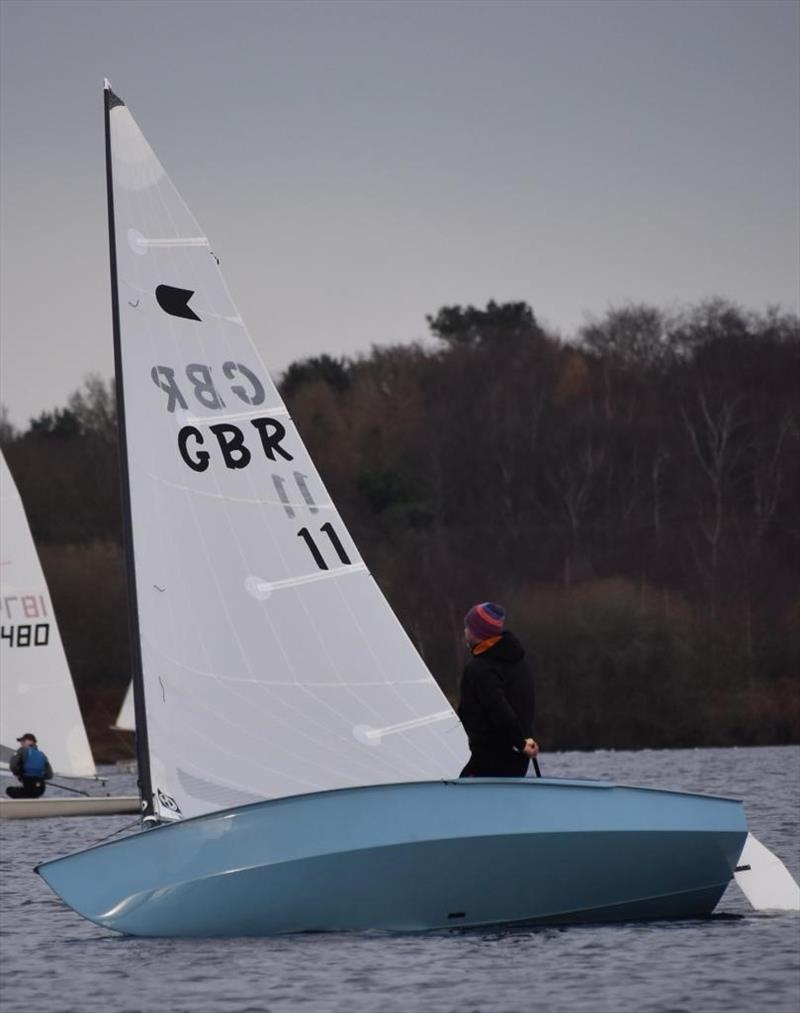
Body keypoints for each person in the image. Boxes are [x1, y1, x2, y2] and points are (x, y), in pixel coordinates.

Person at [457, 602, 538, 777]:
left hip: (492, 758)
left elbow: (499, 709)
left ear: (478, 633)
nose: (465, 632)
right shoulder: (518, 661)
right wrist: (524, 740)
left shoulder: (480, 668)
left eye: (468, 627)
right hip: (517, 758)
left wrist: (520, 742)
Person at [6, 733, 53, 799]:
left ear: (31, 741)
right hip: (40, 789)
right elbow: (50, 775)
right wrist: (38, 778)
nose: (21, 743)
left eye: (23, 741)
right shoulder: (42, 754)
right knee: (31, 794)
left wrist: (19, 774)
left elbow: (13, 766)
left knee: (9, 790)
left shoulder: (22, 750)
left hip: (29, 788)